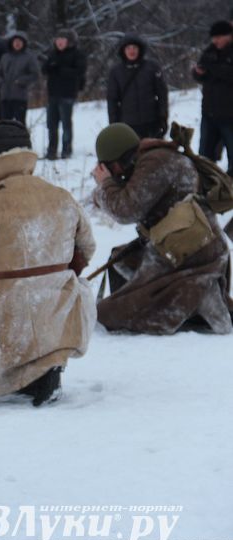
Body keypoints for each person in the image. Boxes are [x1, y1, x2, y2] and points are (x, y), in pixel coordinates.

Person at [0, 120, 96, 406]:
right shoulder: (61, 196)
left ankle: (31, 380)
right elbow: (86, 248)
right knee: (44, 324)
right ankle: (46, 371)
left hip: (6, 313)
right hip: (59, 312)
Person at [91, 123, 232, 335]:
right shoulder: (152, 160)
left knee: (110, 313)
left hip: (190, 254)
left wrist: (105, 185)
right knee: (121, 260)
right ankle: (191, 299)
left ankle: (199, 292)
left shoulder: (156, 163)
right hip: (187, 247)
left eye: (108, 166)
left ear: (116, 160)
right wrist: (109, 186)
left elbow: (126, 210)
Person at [106, 35, 168, 139]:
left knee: (154, 153)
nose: (132, 51)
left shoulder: (152, 67)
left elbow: (162, 94)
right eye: (128, 48)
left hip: (152, 121)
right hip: (128, 124)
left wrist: (163, 116)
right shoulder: (116, 72)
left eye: (134, 48)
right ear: (123, 51)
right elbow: (112, 100)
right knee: (133, 154)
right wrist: (114, 124)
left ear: (140, 50)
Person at [192, 20, 233, 175]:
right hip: (209, 113)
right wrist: (198, 72)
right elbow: (200, 73)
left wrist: (212, 68)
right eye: (213, 37)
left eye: (219, 37)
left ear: (228, 36)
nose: (216, 41)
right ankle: (207, 185)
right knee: (204, 157)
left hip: (230, 115)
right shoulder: (209, 51)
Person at [42, 29, 87, 159]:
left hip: (67, 94)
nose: (60, 42)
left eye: (63, 40)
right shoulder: (52, 54)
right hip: (52, 94)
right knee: (51, 124)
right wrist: (51, 66)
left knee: (66, 123)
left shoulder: (77, 54)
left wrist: (61, 69)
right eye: (58, 39)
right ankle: (52, 150)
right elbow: (44, 69)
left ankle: (66, 150)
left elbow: (80, 71)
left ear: (69, 42)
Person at [0, 32, 39, 124]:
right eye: (15, 41)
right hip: (5, 96)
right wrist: (1, 83)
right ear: (12, 42)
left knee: (20, 124)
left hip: (20, 96)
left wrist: (21, 81)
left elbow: (35, 74)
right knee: (5, 124)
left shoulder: (29, 57)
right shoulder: (5, 56)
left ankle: (21, 138)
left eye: (20, 41)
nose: (17, 43)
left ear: (24, 43)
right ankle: (6, 139)